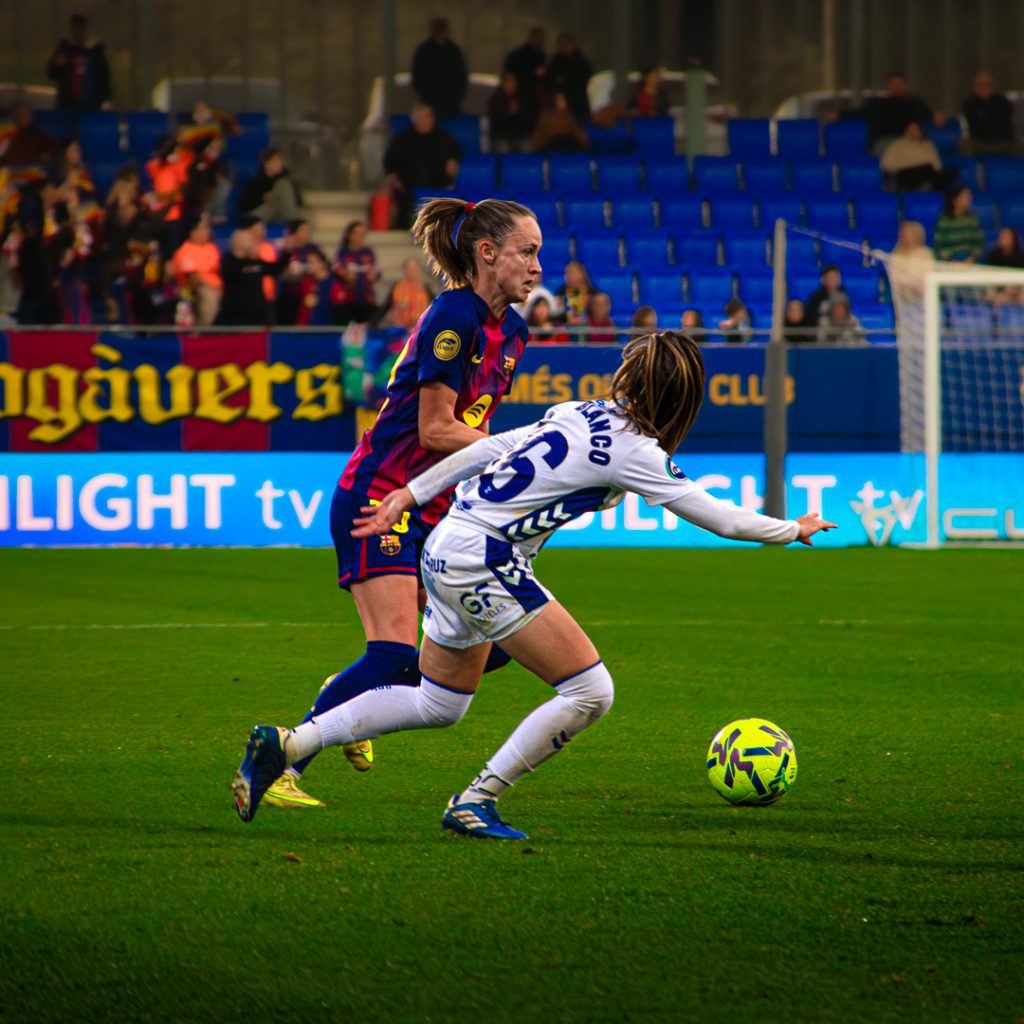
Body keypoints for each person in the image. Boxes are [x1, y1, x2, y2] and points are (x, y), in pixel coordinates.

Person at [230, 331, 836, 835]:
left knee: (439, 703)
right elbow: (720, 516)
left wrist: (412, 493)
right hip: (484, 559)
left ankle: (290, 744)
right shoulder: (636, 451)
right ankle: (476, 801)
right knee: (590, 691)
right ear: (682, 401)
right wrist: (792, 527)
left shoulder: (575, 412)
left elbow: (487, 449)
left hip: (445, 546)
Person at [253, 197, 540, 811]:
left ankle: (350, 691)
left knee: (495, 648)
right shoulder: (452, 317)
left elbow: (469, 430)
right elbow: (438, 429)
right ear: (487, 254)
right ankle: (281, 759)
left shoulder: (513, 333)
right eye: (527, 251)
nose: (537, 266)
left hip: (433, 508)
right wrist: (523, 447)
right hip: (379, 495)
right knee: (391, 654)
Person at [383, 105, 462, 229]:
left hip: (438, 181)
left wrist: (453, 160)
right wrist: (391, 174)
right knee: (402, 193)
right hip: (408, 183)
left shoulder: (443, 137)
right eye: (425, 117)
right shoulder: (402, 139)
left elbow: (456, 151)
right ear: (416, 120)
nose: (429, 120)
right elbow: (390, 161)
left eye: (430, 117)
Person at [838, 72, 940, 153]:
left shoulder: (915, 104)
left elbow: (930, 115)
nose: (896, 86)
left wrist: (936, 116)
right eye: (893, 84)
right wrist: (839, 115)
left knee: (922, 150)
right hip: (886, 141)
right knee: (890, 152)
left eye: (899, 84)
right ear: (888, 86)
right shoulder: (878, 104)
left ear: (905, 85)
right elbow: (858, 113)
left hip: (910, 140)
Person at [217, 228, 288, 327]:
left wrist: (287, 253)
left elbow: (275, 269)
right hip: (236, 315)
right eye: (247, 239)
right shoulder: (228, 260)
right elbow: (230, 272)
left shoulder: (255, 261)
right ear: (238, 241)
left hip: (257, 314)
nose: (251, 241)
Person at [46, 13, 111, 112]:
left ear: (85, 30)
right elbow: (52, 73)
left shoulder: (95, 52)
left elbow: (104, 77)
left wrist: (105, 99)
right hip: (67, 104)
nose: (76, 32)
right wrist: (58, 65)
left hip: (91, 104)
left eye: (79, 29)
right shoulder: (63, 50)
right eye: (73, 29)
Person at [169, 216, 222, 326]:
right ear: (192, 232)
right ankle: (205, 330)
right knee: (209, 295)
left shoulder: (211, 248)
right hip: (195, 289)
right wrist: (214, 288)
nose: (206, 232)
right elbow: (192, 278)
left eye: (206, 228)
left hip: (217, 286)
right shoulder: (185, 250)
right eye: (202, 229)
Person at [411, 17, 468, 119]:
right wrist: (426, 98)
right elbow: (418, 77)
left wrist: (456, 97)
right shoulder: (424, 51)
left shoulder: (453, 51)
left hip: (451, 105)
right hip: (429, 104)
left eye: (443, 29)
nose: (441, 33)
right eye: (438, 29)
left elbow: (461, 77)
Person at [961, 71, 1022, 157]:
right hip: (980, 142)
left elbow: (1003, 121)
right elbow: (976, 123)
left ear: (992, 86)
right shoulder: (969, 103)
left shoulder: (1002, 101)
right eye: (980, 84)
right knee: (964, 144)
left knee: (1019, 146)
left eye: (987, 84)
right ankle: (975, 168)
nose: (984, 87)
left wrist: (986, 116)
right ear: (975, 86)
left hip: (1003, 142)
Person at [332, 220, 380, 325]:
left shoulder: (368, 253)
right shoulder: (342, 253)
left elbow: (376, 271)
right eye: (356, 233)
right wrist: (345, 275)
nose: (359, 237)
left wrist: (374, 276)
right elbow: (336, 271)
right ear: (349, 235)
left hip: (366, 299)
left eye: (362, 234)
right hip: (346, 301)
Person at [880, 122, 949, 192]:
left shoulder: (928, 144)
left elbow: (937, 165)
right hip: (905, 173)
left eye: (917, 129)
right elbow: (886, 164)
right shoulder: (897, 144)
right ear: (906, 131)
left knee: (950, 172)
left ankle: (927, 185)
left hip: (928, 173)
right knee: (926, 168)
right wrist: (913, 164)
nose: (914, 132)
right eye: (911, 129)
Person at [239, 147, 301, 224]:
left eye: (281, 160)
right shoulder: (255, 183)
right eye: (276, 160)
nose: (281, 163)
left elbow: (297, 201)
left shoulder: (286, 181)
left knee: (283, 185)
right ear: (266, 163)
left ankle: (295, 224)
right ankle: (295, 224)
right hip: (259, 213)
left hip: (281, 213)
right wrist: (262, 198)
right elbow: (245, 205)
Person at [374, 256, 434, 330]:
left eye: (414, 268)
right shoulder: (397, 286)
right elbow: (385, 307)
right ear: (405, 270)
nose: (412, 271)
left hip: (420, 329)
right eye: (409, 268)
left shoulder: (425, 287)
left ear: (419, 269)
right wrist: (371, 323)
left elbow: (435, 307)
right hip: (401, 330)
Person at [503, 27, 547, 130]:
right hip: (520, 95)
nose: (539, 40)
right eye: (537, 37)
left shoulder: (542, 56)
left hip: (534, 98)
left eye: (541, 38)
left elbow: (542, 78)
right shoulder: (519, 55)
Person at [545, 32, 592, 123]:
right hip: (559, 107)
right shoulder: (555, 61)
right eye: (561, 43)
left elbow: (584, 80)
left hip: (578, 104)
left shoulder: (581, 62)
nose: (564, 46)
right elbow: (550, 81)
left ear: (572, 43)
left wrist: (567, 79)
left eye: (567, 42)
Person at [276, 219, 316, 325]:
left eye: (308, 231)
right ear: (294, 233)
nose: (307, 234)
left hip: (308, 295)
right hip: (288, 296)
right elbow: (278, 270)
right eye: (303, 231)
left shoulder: (314, 250)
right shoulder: (284, 250)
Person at [884, 220, 934, 306]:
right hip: (900, 299)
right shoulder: (895, 255)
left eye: (909, 233)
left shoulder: (926, 253)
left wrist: (915, 287)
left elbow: (927, 276)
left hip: (922, 298)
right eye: (903, 233)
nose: (905, 236)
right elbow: (894, 278)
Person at [933, 186, 984, 263]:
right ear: (955, 200)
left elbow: (978, 245)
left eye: (969, 196)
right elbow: (939, 247)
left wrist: (972, 259)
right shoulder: (943, 222)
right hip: (949, 264)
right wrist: (951, 260)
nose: (969, 199)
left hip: (970, 263)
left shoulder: (973, 220)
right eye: (965, 196)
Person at [0, 103, 56, 171]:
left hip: (30, 171)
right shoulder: (5, 132)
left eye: (28, 113)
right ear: (14, 116)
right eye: (21, 113)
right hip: (8, 172)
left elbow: (48, 150)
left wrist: (46, 155)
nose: (26, 116)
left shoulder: (37, 134)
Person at [488, 72, 533, 154]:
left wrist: (518, 113)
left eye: (513, 81)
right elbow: (494, 124)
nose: (510, 84)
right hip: (501, 137)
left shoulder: (522, 100)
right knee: (503, 149)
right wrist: (508, 113)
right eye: (507, 81)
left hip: (519, 137)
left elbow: (527, 122)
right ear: (503, 83)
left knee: (527, 146)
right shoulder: (495, 100)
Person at [554, 259, 593, 327]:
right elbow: (557, 315)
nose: (567, 276)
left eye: (571, 272)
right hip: (568, 328)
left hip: (589, 329)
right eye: (566, 273)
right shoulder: (560, 293)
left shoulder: (593, 293)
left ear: (581, 274)